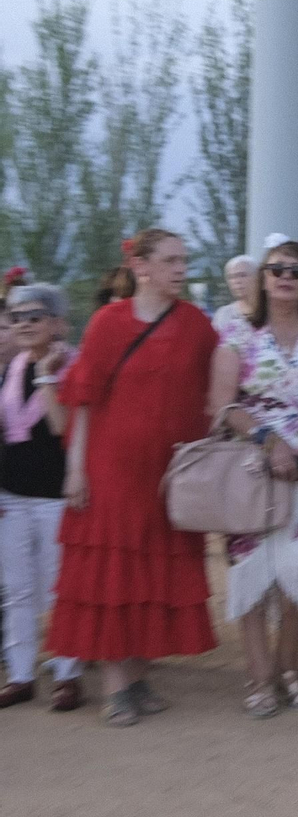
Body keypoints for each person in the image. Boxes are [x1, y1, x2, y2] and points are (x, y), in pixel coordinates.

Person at [49, 229, 219, 726]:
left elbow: (220, 381)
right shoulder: (108, 322)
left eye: (185, 260)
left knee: (155, 578)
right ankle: (115, 688)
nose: (181, 269)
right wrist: (77, 469)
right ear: (141, 267)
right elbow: (81, 397)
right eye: (170, 261)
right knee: (112, 579)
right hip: (111, 472)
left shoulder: (196, 324)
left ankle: (140, 678)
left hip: (169, 476)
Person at [209, 238, 298, 719]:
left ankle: (290, 670)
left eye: (296, 270)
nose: (285, 277)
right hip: (250, 468)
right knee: (252, 577)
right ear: (262, 278)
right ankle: (258, 677)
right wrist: (268, 440)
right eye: (276, 269)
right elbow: (222, 405)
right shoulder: (238, 334)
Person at [0, 282, 82, 711]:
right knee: (16, 589)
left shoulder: (71, 364)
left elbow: (61, 427)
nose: (24, 324)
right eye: (16, 317)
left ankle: (68, 674)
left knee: (58, 589)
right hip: (11, 494)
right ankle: (21, 675)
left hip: (55, 495)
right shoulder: (10, 368)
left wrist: (48, 375)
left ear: (55, 322)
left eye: (34, 316)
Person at [211, 253, 258, 331]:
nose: (236, 281)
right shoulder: (223, 314)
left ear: (257, 278)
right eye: (231, 277)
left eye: (242, 275)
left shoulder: (271, 312)